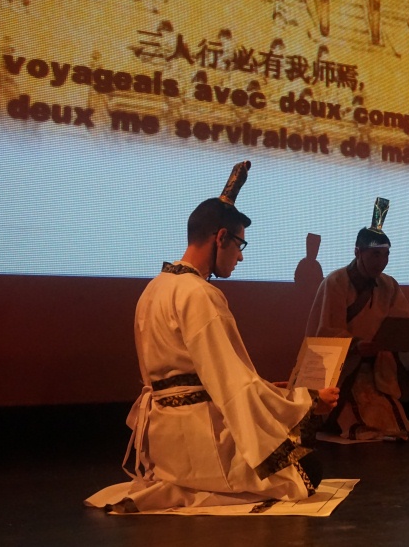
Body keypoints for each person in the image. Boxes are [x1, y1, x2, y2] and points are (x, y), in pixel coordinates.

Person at [86, 161, 339, 513]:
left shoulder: (153, 289)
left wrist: (271, 390)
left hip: (162, 443)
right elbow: (233, 387)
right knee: (307, 470)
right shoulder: (199, 294)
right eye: (240, 244)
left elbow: (201, 377)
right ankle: (200, 483)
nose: (240, 256)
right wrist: (307, 401)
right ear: (220, 237)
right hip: (200, 439)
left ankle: (182, 478)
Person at [307, 198, 409, 440]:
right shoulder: (336, 282)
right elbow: (325, 332)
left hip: (376, 370)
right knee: (359, 423)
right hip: (345, 371)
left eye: (385, 255)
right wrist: (356, 345)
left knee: (392, 421)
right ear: (357, 252)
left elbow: (403, 324)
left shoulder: (389, 285)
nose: (381, 262)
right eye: (375, 255)